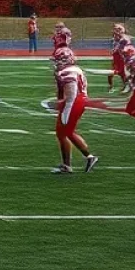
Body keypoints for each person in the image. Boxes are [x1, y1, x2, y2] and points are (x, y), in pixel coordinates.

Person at [49, 47, 98, 175]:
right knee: (63, 133)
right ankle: (70, 163)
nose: (56, 63)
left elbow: (71, 94)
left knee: (65, 132)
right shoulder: (72, 70)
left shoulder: (68, 72)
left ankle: (86, 158)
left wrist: (64, 109)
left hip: (74, 103)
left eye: (58, 60)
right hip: (76, 101)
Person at [107, 26, 129, 92]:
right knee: (110, 74)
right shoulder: (115, 39)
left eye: (118, 29)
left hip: (121, 59)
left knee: (122, 75)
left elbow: (122, 45)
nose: (116, 31)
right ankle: (111, 87)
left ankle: (126, 86)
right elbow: (115, 45)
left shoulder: (124, 39)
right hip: (115, 60)